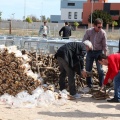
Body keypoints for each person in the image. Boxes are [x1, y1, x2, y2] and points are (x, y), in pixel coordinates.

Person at [82, 18, 108, 90]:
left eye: (101, 27)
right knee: (88, 68)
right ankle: (89, 85)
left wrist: (105, 56)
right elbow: (84, 41)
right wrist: (87, 47)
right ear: (94, 26)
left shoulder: (103, 33)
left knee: (100, 69)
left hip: (99, 52)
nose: (100, 28)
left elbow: (105, 45)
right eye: (99, 27)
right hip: (90, 52)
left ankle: (102, 85)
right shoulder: (89, 31)